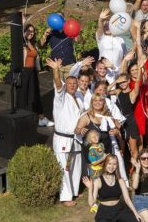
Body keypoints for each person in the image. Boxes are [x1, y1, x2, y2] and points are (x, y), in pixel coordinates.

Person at [47, 58, 83, 207]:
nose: (72, 86)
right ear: (65, 85)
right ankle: (65, 196)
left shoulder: (79, 99)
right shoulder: (60, 98)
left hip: (76, 138)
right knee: (64, 168)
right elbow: (57, 83)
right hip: (63, 139)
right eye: (69, 84)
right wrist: (56, 70)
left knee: (76, 166)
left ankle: (74, 190)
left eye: (75, 84)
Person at [83, 154, 141, 222]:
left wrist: (136, 213)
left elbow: (127, 199)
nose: (111, 166)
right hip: (104, 213)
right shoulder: (98, 180)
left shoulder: (120, 180)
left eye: (114, 164)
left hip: (119, 210)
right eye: (109, 163)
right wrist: (90, 188)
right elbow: (91, 203)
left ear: (117, 166)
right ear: (105, 164)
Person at [20, 23, 53, 126]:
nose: (31, 33)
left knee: (36, 95)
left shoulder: (33, 43)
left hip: (33, 72)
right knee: (25, 96)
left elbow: (41, 44)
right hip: (24, 72)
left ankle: (41, 118)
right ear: (24, 32)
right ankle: (24, 118)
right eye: (29, 31)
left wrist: (45, 35)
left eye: (32, 31)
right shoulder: (21, 43)